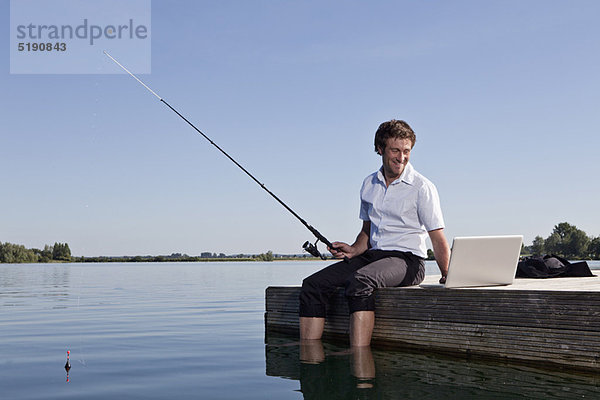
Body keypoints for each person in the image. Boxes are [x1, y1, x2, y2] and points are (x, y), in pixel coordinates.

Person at [299, 119, 450, 347]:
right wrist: (352, 249)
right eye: (395, 150)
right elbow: (366, 233)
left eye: (406, 151)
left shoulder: (422, 187)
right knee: (313, 285)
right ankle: (309, 358)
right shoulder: (369, 183)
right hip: (374, 256)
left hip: (408, 261)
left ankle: (359, 358)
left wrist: (448, 273)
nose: (401, 157)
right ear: (380, 149)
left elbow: (437, 237)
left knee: (360, 281)